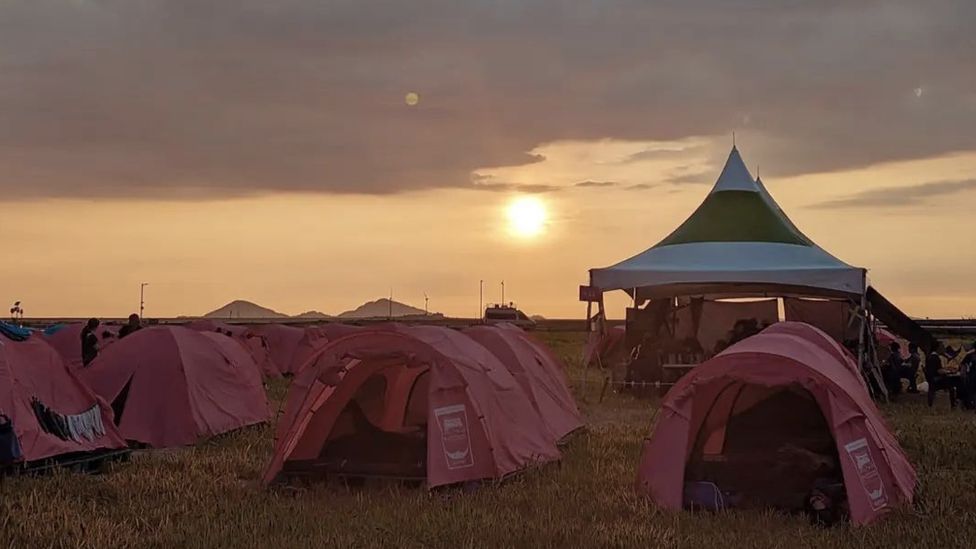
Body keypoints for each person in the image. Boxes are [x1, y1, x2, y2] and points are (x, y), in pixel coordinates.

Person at [925, 342, 959, 409]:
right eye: (942, 347)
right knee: (953, 384)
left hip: (931, 379)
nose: (943, 349)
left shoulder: (929, 357)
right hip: (936, 380)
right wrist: (949, 371)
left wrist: (946, 369)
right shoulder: (936, 358)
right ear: (938, 348)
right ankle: (953, 404)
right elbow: (939, 371)